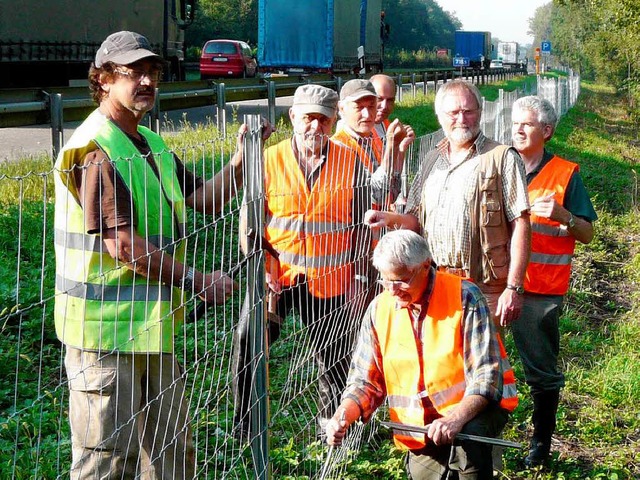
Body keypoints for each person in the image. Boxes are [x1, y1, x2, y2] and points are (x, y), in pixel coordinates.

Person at [53, 30, 255, 478]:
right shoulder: (98, 151)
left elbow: (204, 198)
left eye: (152, 72)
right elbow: (122, 246)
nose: (146, 81)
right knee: (107, 463)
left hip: (149, 330)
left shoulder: (150, 143)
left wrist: (240, 162)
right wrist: (199, 280)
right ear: (103, 79)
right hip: (103, 339)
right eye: (133, 72)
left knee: (171, 454)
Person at [232, 84, 375, 441]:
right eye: (308, 118)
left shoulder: (350, 161)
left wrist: (360, 278)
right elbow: (250, 224)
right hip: (277, 278)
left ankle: (338, 426)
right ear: (292, 117)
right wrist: (262, 267)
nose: (315, 127)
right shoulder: (267, 159)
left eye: (323, 120)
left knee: (336, 357)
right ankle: (245, 424)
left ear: (332, 122)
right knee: (250, 341)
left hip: (331, 280)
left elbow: (361, 225)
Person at [325, 230, 518, 479]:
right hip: (418, 425)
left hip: (473, 411)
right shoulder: (378, 310)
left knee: (470, 450)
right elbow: (365, 381)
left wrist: (455, 419)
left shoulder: (465, 296)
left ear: (425, 266)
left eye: (401, 280)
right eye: (385, 281)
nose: (393, 290)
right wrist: (344, 415)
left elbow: (486, 376)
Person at [365, 79, 531, 328]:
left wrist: (514, 287)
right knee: (444, 361)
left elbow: (521, 224)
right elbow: (415, 220)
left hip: (485, 286)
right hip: (435, 282)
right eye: (453, 112)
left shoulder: (502, 158)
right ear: (440, 116)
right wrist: (390, 219)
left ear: (479, 112)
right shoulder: (432, 159)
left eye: (468, 111)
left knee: (483, 363)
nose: (462, 119)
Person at [511, 96, 597, 467]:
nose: (517, 129)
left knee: (541, 372)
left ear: (546, 131)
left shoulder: (565, 174)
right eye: (515, 122)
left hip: (540, 290)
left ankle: (541, 442)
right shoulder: (500, 164)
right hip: (496, 283)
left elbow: (588, 234)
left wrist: (565, 216)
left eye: (526, 124)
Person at [332, 78, 414, 209]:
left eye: (371, 106)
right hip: (356, 228)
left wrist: (400, 149)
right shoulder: (338, 147)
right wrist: (392, 147)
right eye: (359, 107)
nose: (367, 114)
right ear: (341, 108)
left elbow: (391, 194)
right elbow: (377, 196)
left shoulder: (370, 139)